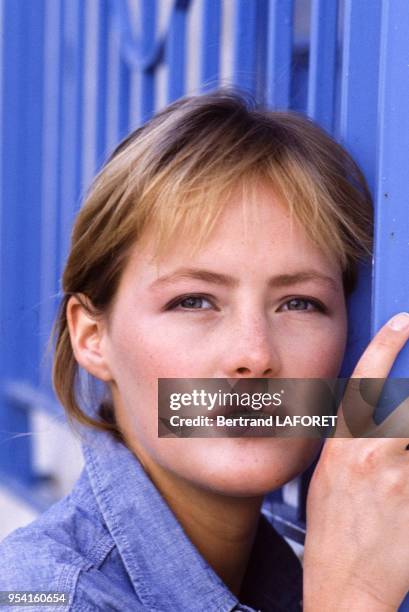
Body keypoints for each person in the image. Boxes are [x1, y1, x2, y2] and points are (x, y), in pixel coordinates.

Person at [0, 90, 408, 612]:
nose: (254, 354)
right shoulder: (44, 594)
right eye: (194, 301)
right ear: (91, 336)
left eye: (299, 303)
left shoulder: (282, 572)